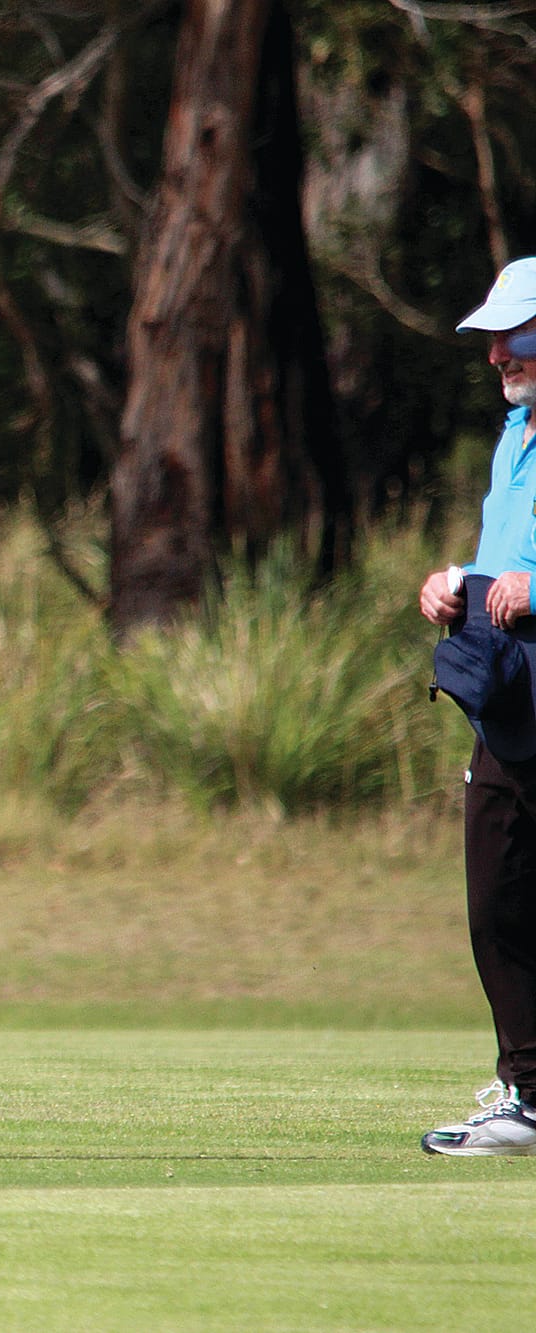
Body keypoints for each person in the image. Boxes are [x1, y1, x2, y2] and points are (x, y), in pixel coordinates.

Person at [417, 255, 536, 1156]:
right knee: (495, 893)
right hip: (511, 697)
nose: (500, 354)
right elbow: (503, 554)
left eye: (518, 335)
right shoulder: (515, 435)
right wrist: (454, 580)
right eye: (495, 340)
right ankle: (529, 1092)